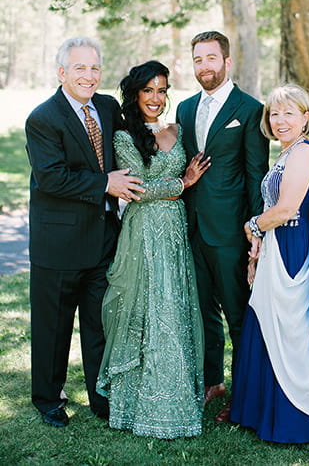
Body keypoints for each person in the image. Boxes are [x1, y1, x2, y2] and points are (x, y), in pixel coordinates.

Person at [230, 83, 309, 442]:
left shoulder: (303, 154)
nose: (279, 120)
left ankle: (301, 417)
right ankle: (263, 410)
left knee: (293, 330)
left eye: (289, 112)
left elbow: (287, 209)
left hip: (295, 250)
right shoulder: (287, 154)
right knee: (271, 323)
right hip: (279, 244)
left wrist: (252, 225)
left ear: (306, 117)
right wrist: (259, 243)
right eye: (274, 113)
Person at [25, 37, 145, 427]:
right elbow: (51, 178)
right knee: (53, 328)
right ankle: (47, 399)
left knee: (98, 324)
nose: (89, 76)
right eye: (80, 68)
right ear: (62, 72)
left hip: (102, 240)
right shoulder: (43, 118)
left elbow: (132, 141)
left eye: (94, 68)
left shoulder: (108, 108)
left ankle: (101, 397)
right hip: (57, 244)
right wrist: (104, 184)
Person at [96, 60, 210, 439]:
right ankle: (137, 405)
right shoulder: (125, 137)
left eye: (162, 90)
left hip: (176, 232)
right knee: (147, 311)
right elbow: (138, 190)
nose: (156, 99)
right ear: (135, 94)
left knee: (174, 309)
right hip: (143, 234)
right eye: (148, 91)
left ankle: (178, 398)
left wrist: (185, 184)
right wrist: (184, 181)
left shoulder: (176, 130)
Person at [176, 31, 270, 421]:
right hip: (191, 229)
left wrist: (254, 232)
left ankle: (244, 392)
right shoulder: (183, 109)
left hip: (232, 232)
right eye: (198, 59)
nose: (204, 67)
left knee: (238, 315)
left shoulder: (249, 109)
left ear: (227, 62)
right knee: (202, 313)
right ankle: (213, 382)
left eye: (211, 59)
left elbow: (255, 174)